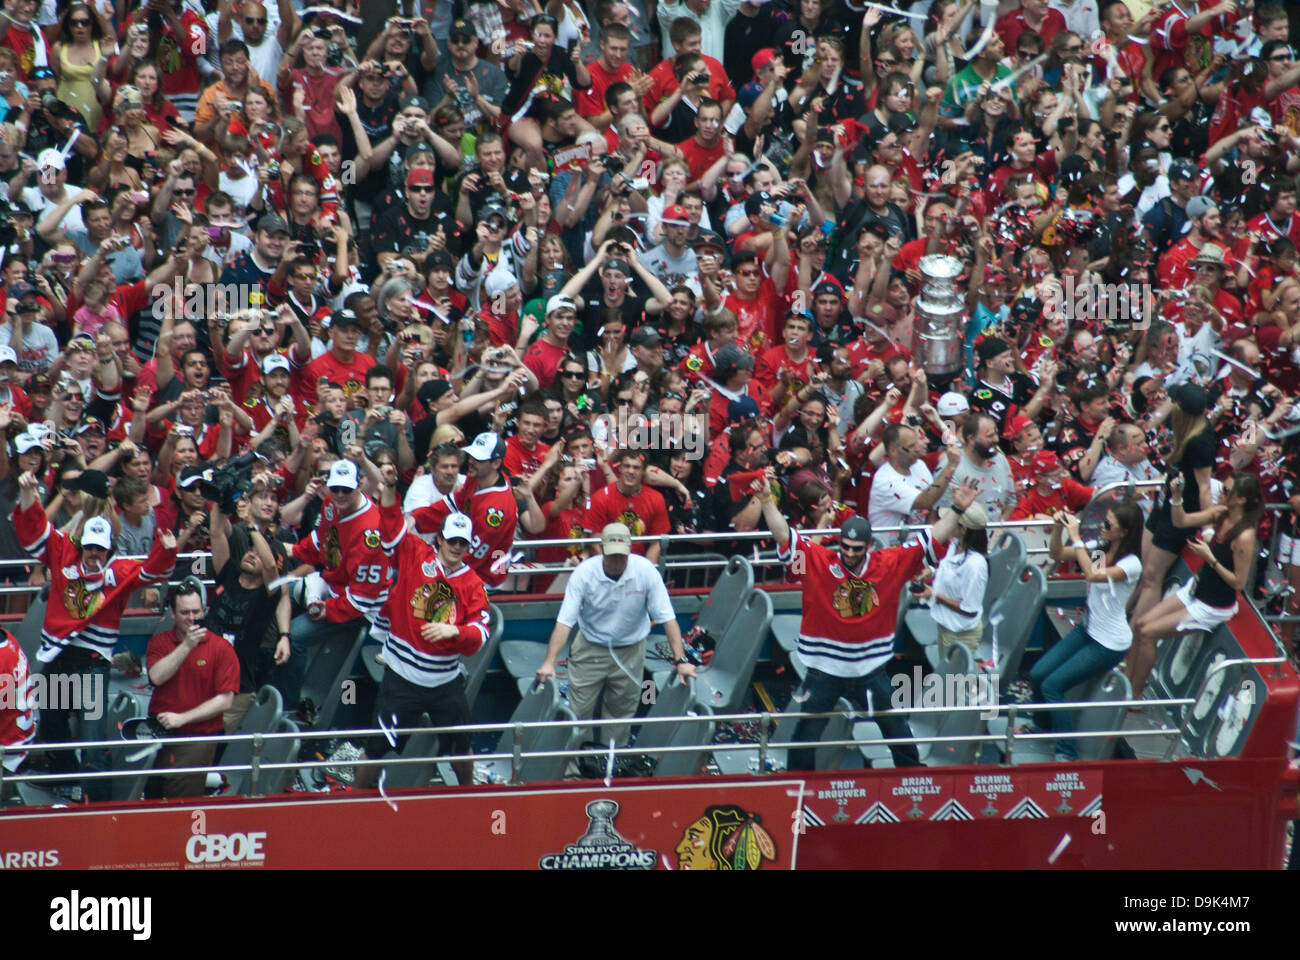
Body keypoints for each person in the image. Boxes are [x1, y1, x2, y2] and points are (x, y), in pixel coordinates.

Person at [757, 467, 980, 769]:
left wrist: (957, 509)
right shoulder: (819, 560)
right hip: (824, 668)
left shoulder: (889, 563)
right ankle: (797, 784)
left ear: (869, 547)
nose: (849, 553)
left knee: (895, 728)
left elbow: (932, 538)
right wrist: (768, 501)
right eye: (845, 547)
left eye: (856, 549)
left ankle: (914, 779)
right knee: (807, 733)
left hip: (870, 667)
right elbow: (783, 535)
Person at [12, 469, 178, 801]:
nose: (93, 555)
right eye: (89, 547)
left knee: (93, 740)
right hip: (58, 657)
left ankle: (98, 803)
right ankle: (64, 780)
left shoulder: (119, 572)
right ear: (81, 544)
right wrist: (29, 495)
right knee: (53, 728)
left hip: (91, 665)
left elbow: (151, 571)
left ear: (109, 549)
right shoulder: (62, 552)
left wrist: (167, 549)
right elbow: (34, 533)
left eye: (100, 550)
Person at [356, 465, 489, 788]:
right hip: (402, 677)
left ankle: (470, 797)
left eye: (463, 543)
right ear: (439, 539)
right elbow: (391, 529)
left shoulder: (473, 583)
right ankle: (354, 801)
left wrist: (455, 631)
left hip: (445, 681)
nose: (456, 548)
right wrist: (389, 489)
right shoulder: (415, 554)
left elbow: (482, 631)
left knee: (461, 746)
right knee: (377, 746)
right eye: (451, 540)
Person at [536, 522, 696, 770]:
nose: (616, 560)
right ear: (601, 549)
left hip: (632, 650)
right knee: (578, 711)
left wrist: (681, 660)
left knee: (622, 712)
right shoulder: (584, 574)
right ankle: (577, 765)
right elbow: (564, 622)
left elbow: (668, 618)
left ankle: (612, 764)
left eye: (621, 555)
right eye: (611, 555)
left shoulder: (646, 572)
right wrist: (549, 662)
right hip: (590, 647)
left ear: (630, 551)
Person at [1130, 472, 1262, 701]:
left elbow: (1238, 582)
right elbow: (1181, 521)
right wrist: (1177, 496)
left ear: (1241, 500)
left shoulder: (1244, 536)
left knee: (1148, 633)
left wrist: (1210, 558)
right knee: (1140, 625)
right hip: (1196, 587)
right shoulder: (1221, 513)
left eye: (1226, 491)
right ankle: (1127, 677)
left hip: (1212, 605)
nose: (1220, 493)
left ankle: (1135, 695)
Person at [281, 457, 391, 715]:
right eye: (335, 488)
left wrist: (326, 610)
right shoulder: (331, 503)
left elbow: (362, 600)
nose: (340, 495)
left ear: (360, 486)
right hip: (333, 585)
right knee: (275, 596)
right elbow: (322, 541)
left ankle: (290, 708)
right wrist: (292, 550)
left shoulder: (371, 534)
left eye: (346, 489)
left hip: (365, 607)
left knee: (294, 635)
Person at [1035, 502, 1145, 758]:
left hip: (1108, 643)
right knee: (1039, 673)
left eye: (1108, 525)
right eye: (1103, 521)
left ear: (1124, 532)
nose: (1102, 528)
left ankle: (1066, 751)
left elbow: (1093, 575)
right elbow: (1057, 555)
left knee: (1053, 685)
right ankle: (1042, 727)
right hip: (1088, 630)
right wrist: (1056, 530)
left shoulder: (1131, 564)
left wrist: (1076, 537)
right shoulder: (1100, 550)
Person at [145, 578, 241, 798]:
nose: (192, 618)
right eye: (185, 612)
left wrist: (182, 718)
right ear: (173, 614)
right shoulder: (159, 642)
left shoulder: (221, 648)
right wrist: (187, 645)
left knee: (178, 797)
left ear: (205, 610)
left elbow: (225, 700)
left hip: (198, 736)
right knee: (151, 792)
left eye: (196, 612)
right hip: (158, 733)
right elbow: (157, 677)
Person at [919, 501, 990, 657]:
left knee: (953, 681)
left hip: (960, 636)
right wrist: (931, 570)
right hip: (945, 627)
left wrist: (934, 594)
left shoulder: (975, 565)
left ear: (963, 529)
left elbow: (969, 610)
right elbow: (950, 569)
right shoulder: (955, 545)